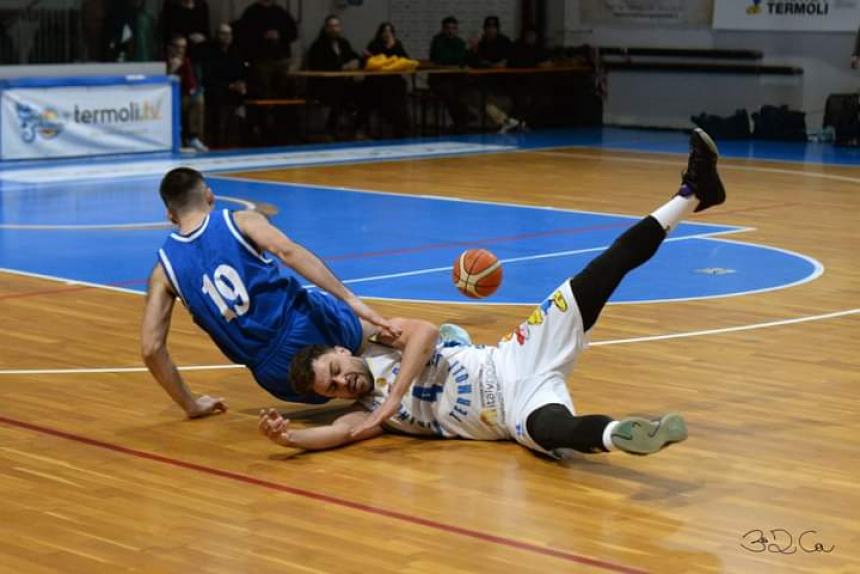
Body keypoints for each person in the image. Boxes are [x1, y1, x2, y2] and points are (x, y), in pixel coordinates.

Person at [259, 129, 727, 457]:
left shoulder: (379, 341)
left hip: (513, 358)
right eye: (333, 388)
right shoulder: (360, 414)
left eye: (336, 371)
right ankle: (619, 433)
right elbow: (336, 437)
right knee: (551, 431)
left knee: (597, 275)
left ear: (342, 351)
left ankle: (691, 193)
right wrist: (289, 441)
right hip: (507, 415)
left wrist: (390, 401)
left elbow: (423, 335)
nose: (344, 383)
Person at [141, 168, 402, 418]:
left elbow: (151, 349)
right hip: (304, 326)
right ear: (210, 195)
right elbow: (288, 252)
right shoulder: (239, 221)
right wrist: (351, 300)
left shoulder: (163, 272)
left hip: (275, 374)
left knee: (354, 392)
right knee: (386, 340)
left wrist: (191, 404)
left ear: (171, 215)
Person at [307, 15, 362, 139]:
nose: (334, 29)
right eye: (331, 26)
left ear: (340, 28)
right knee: (340, 92)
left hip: (343, 84)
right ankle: (333, 128)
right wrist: (342, 68)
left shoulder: (344, 43)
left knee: (361, 88)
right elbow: (319, 66)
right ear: (326, 28)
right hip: (323, 84)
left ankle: (356, 126)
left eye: (336, 26)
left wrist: (356, 62)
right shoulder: (318, 46)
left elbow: (353, 56)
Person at [235, 0, 297, 99]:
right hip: (260, 60)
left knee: (286, 88)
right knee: (262, 91)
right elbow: (243, 36)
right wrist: (262, 36)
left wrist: (279, 35)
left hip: (281, 59)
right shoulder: (251, 12)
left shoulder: (280, 12)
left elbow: (293, 33)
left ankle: (283, 112)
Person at [359, 22, 411, 138]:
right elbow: (366, 62)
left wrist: (393, 46)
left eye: (390, 31)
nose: (387, 34)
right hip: (376, 81)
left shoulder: (397, 45)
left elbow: (405, 60)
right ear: (380, 33)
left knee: (399, 93)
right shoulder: (374, 44)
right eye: (385, 31)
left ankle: (402, 130)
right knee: (378, 93)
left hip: (394, 81)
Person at [471, 16, 522, 133]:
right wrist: (474, 49)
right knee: (475, 96)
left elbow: (503, 64)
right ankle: (505, 121)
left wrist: (489, 64)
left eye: (493, 27)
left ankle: (512, 120)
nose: (491, 30)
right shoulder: (481, 43)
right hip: (483, 80)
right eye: (488, 27)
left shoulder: (504, 42)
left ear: (498, 29)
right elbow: (476, 62)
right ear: (484, 29)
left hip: (503, 80)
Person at [203, 23, 248, 148]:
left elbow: (242, 73)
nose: (226, 37)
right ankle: (219, 144)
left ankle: (235, 144)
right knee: (222, 103)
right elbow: (208, 78)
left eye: (229, 34)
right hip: (217, 91)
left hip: (235, 93)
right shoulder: (210, 53)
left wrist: (241, 84)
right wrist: (230, 85)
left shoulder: (236, 52)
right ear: (217, 35)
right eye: (223, 33)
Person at [428, 16, 472, 132]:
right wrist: (454, 63)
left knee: (463, 91)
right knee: (449, 91)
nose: (450, 31)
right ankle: (463, 118)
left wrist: (455, 62)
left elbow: (462, 59)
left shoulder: (460, 42)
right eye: (448, 28)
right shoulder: (437, 41)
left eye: (453, 28)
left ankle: (461, 120)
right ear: (443, 29)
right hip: (439, 79)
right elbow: (441, 59)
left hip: (456, 78)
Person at [166, 35, 208, 151]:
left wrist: (194, 91)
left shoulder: (185, 61)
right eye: (177, 47)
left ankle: (193, 138)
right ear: (170, 47)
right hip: (164, 101)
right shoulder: (162, 61)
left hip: (181, 98)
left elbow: (191, 85)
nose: (180, 50)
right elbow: (159, 84)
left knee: (198, 98)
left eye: (183, 48)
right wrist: (171, 71)